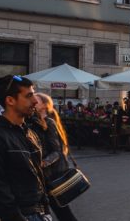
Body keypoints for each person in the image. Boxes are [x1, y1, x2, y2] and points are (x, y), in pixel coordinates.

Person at [0, 75, 51, 220]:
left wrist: (46, 209)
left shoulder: (29, 132)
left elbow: (37, 174)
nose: (35, 101)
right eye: (29, 96)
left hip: (37, 213)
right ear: (10, 100)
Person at [32, 93, 77, 221]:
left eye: (36, 100)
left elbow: (56, 152)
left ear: (45, 106)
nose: (33, 101)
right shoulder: (35, 122)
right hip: (42, 178)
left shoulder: (49, 123)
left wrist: (41, 164)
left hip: (51, 177)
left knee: (63, 213)